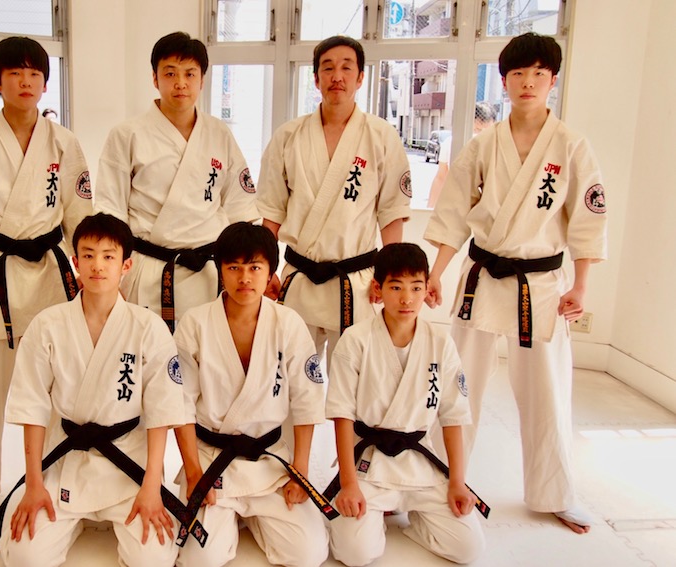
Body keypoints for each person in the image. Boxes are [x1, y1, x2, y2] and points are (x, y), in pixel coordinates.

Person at [424, 32, 607, 534]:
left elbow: (587, 220)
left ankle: (554, 493)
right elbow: (454, 212)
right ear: (504, 81)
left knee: (547, 389)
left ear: (553, 80)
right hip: (483, 278)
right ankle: (438, 478)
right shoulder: (483, 145)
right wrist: (436, 273)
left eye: (538, 74)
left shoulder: (571, 146)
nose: (528, 83)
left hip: (541, 284)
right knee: (459, 382)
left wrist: (581, 285)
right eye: (518, 74)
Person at [0, 36, 93, 517]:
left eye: (34, 74)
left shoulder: (63, 142)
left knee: (59, 380)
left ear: (45, 83)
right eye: (15, 73)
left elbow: (79, 213)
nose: (26, 82)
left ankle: (59, 478)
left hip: (49, 269)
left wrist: (91, 270)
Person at [0, 213, 185, 566]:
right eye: (88, 255)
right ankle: (68, 517)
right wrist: (34, 484)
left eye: (109, 256)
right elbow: (32, 409)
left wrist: (151, 487)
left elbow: (162, 412)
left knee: (153, 560)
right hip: (66, 458)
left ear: (126, 265)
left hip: (128, 461)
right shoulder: (46, 326)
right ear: (75, 261)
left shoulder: (149, 327)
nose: (98, 265)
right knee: (25, 558)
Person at [173, 222, 331, 567]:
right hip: (211, 458)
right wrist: (193, 471)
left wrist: (301, 470)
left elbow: (307, 400)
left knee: (309, 554)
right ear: (220, 270)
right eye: (234, 268)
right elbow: (180, 403)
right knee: (201, 559)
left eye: (255, 268)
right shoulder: (195, 324)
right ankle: (230, 518)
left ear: (270, 272)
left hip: (268, 459)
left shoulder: (288, 323)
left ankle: (252, 516)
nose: (244, 278)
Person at [325, 243, 485, 565]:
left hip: (418, 459)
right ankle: (376, 517)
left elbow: (453, 416)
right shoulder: (355, 340)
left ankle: (416, 521)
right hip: (369, 462)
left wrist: (457, 482)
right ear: (378, 289)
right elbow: (342, 416)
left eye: (416, 287)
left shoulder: (441, 342)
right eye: (396, 287)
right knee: (356, 553)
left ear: (427, 289)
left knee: (468, 548)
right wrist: (348, 484)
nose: (407, 298)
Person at [257, 35, 411, 362]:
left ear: (360, 77)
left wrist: (390, 276)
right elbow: (272, 211)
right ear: (316, 78)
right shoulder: (289, 136)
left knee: (353, 376)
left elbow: (392, 212)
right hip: (300, 278)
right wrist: (266, 268)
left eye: (346, 68)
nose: (336, 76)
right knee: (291, 372)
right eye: (327, 68)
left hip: (355, 282)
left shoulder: (381, 136)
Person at [96, 31, 259, 333]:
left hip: (207, 271)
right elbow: (111, 210)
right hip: (149, 269)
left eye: (190, 74)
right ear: (155, 78)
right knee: (146, 350)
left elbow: (241, 208)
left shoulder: (219, 133)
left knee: (207, 351)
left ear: (202, 79)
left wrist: (251, 266)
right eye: (170, 73)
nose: (181, 83)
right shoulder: (127, 134)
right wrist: (110, 273)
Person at [427, 102, 496, 208]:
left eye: (485, 131)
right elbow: (441, 177)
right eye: (477, 130)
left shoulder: (497, 146)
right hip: (455, 207)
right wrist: (430, 208)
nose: (478, 135)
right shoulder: (451, 143)